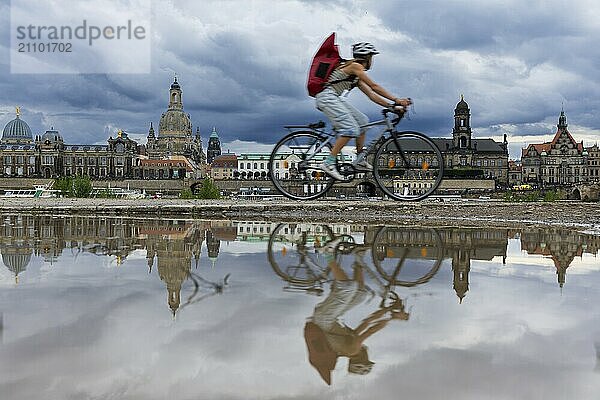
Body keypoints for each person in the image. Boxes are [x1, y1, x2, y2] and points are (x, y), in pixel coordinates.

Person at [316, 42, 412, 180]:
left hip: (332, 98)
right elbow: (374, 86)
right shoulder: (355, 66)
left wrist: (391, 107)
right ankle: (329, 162)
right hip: (327, 97)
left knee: (363, 122)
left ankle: (360, 158)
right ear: (366, 57)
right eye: (371, 57)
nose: (372, 61)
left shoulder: (355, 76)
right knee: (351, 129)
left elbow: (372, 95)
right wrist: (397, 100)